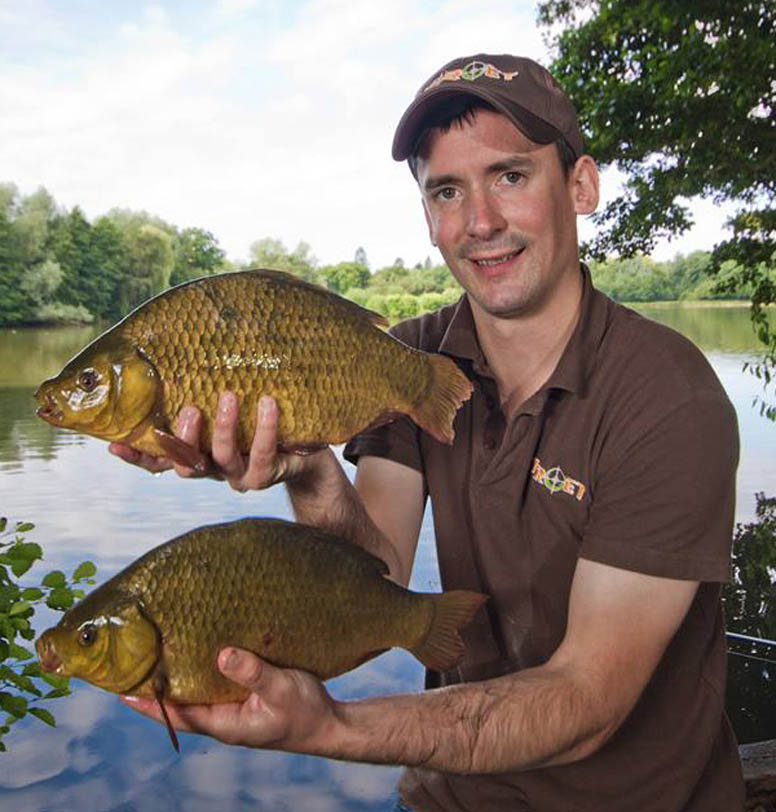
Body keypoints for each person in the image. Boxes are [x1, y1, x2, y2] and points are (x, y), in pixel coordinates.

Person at [111, 54, 745, 811]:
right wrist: (309, 470)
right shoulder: (401, 363)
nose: (479, 222)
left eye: (510, 176)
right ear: (427, 214)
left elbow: (585, 703)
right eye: (447, 190)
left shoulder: (666, 398)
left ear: (580, 186)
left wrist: (335, 730)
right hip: (455, 794)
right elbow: (370, 573)